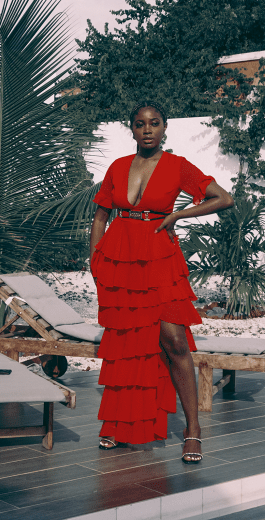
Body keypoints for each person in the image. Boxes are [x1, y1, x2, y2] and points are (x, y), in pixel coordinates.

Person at [89, 102, 234, 464]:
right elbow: (100, 215)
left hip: (160, 256)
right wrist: (95, 260)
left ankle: (193, 430)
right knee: (127, 341)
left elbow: (224, 198)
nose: (148, 130)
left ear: (165, 128)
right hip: (119, 260)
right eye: (140, 124)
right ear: (132, 129)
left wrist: (180, 214)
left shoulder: (178, 166)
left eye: (154, 123)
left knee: (174, 339)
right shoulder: (118, 167)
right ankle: (121, 426)